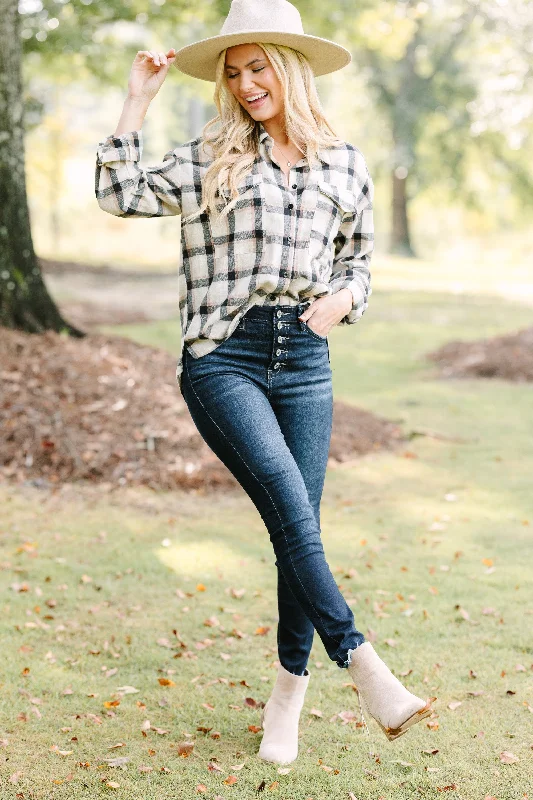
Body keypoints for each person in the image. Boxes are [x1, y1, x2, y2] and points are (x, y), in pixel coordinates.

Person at [95, 0, 436, 767]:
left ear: (289, 70)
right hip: (224, 358)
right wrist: (136, 101)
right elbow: (119, 194)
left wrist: (347, 298)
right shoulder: (212, 156)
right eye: (235, 71)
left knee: (298, 531)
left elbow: (358, 262)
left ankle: (287, 694)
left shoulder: (344, 164)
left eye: (258, 67)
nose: (246, 84)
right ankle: (362, 663)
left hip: (306, 361)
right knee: (288, 503)